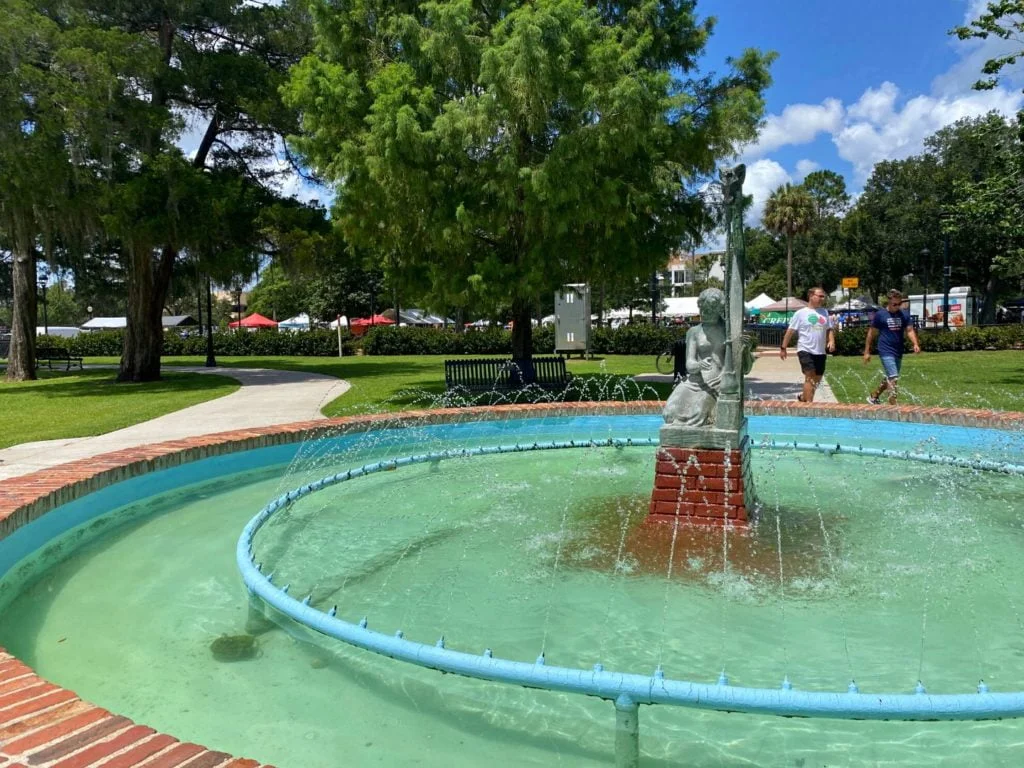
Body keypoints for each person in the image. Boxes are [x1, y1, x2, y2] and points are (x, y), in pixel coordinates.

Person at [863, 289, 921, 404]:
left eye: (899, 304)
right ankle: (893, 405)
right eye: (895, 304)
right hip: (885, 349)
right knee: (893, 377)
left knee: (891, 377)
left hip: (898, 350)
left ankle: (874, 396)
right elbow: (871, 333)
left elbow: (909, 330)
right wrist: (866, 351)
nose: (897, 306)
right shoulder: (880, 315)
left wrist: (915, 343)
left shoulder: (904, 314)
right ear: (889, 302)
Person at [779, 287, 835, 403]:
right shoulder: (800, 313)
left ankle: (804, 398)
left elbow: (829, 329)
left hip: (820, 351)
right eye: (819, 296)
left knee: (816, 379)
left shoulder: (824, 312)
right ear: (810, 296)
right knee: (810, 376)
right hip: (805, 349)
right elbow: (790, 331)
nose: (822, 299)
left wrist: (831, 341)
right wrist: (783, 348)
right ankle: (809, 405)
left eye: (823, 296)